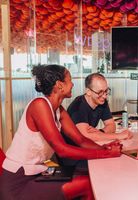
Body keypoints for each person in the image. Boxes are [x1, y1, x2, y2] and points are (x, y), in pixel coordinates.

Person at [0, 64, 122, 200]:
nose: (73, 84)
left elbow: (80, 139)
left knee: (88, 179)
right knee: (88, 184)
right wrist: (104, 154)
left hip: (37, 173)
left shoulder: (59, 109)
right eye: (69, 80)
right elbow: (62, 149)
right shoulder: (39, 105)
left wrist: (104, 148)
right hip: (17, 181)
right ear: (59, 85)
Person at [67, 73, 132, 141]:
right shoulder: (78, 106)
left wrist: (100, 132)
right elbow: (86, 136)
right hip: (71, 147)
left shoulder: (102, 101)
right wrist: (119, 136)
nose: (104, 96)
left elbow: (112, 126)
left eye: (106, 91)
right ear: (88, 91)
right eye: (100, 92)